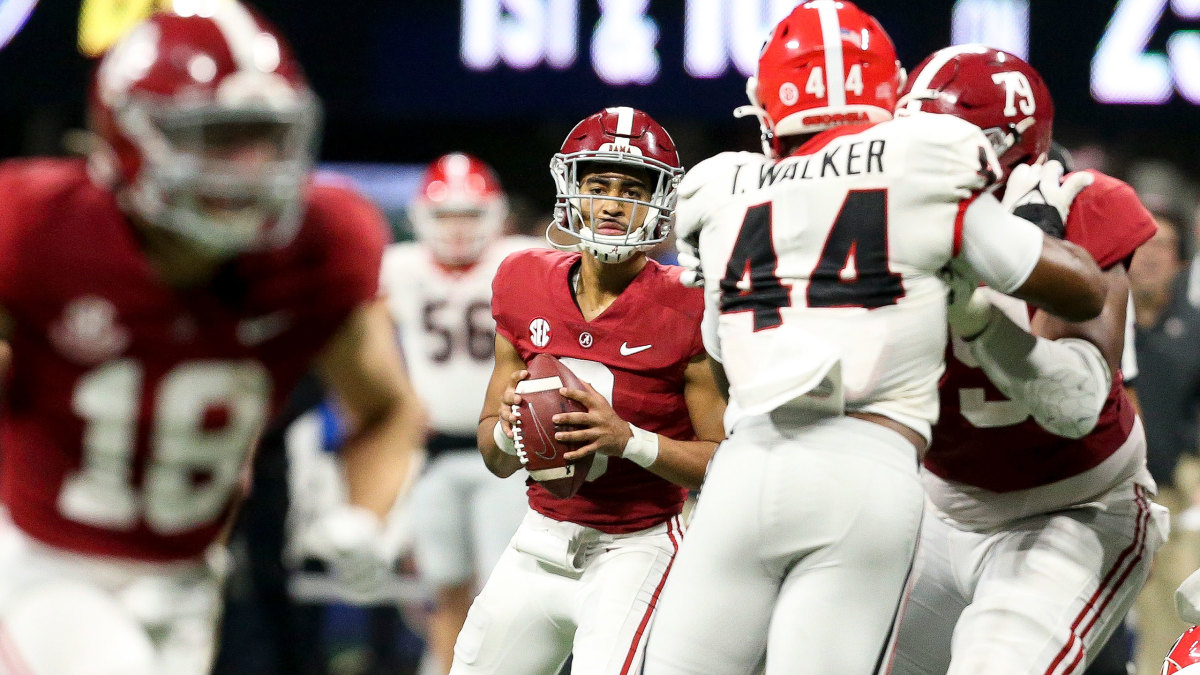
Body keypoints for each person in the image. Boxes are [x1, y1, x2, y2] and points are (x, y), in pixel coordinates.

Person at [642, 4, 1110, 673]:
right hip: (867, 463)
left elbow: (720, 354)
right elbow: (1080, 289)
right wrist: (1031, 221)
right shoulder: (921, 160)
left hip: (746, 464)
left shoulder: (724, 186)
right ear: (883, 88)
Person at [0, 4, 426, 674]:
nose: (247, 168)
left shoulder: (323, 243)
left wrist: (366, 516)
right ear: (126, 138)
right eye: (214, 136)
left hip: (191, 577)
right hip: (45, 565)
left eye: (263, 136)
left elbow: (386, 408)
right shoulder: (34, 228)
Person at [879, 45, 1166, 675]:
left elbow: (1078, 404)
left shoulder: (1085, 203)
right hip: (939, 502)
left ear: (1010, 146)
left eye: (944, 144)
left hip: (1072, 504)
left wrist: (978, 312)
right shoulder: (882, 214)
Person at [450, 106, 726, 675]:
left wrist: (627, 439)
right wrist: (508, 427)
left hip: (638, 545)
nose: (613, 203)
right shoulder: (522, 280)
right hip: (539, 535)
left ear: (659, 201)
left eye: (632, 188)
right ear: (572, 189)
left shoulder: (689, 302)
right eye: (598, 184)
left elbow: (726, 464)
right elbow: (495, 458)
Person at [380, 152, 536, 674]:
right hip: (430, 452)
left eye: (470, 214)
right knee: (444, 585)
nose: (457, 228)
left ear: (495, 215)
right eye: (446, 215)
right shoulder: (400, 267)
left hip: (504, 449)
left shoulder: (519, 260)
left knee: (502, 584)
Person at [1129, 211, 1200, 673]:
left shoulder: (1196, 328)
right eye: (1144, 244)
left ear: (1180, 261)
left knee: (1176, 611)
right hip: (1104, 495)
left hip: (1175, 495)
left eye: (1164, 246)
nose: (1152, 257)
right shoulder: (1096, 319)